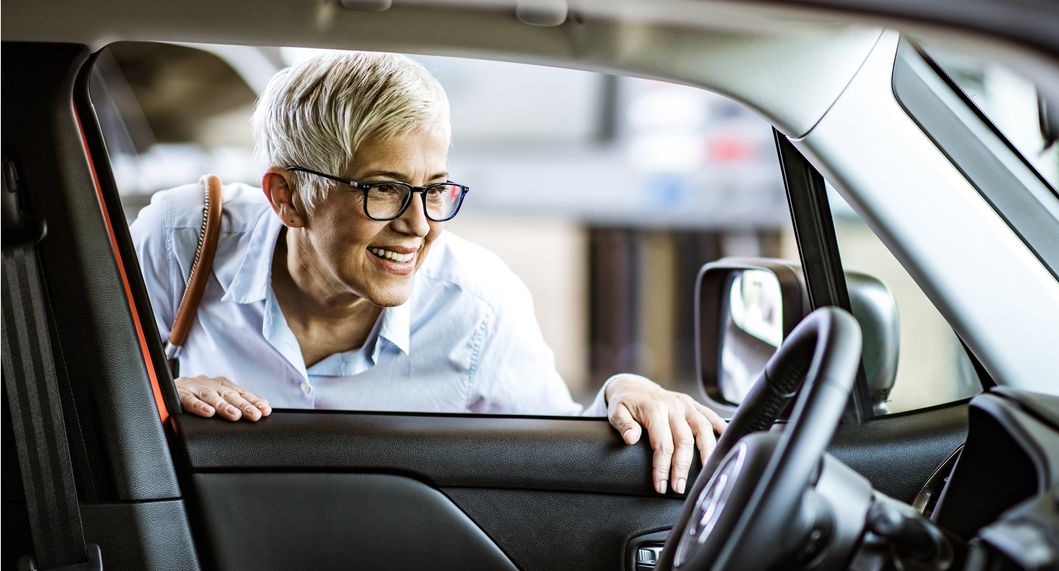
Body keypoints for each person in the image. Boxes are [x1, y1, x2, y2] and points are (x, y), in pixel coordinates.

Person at [130, 51, 725, 495]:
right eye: (384, 191)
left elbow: (556, 460)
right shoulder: (185, 239)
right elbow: (68, 393)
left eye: (435, 189)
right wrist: (151, 398)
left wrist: (627, 391)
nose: (420, 225)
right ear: (287, 197)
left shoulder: (477, 307)